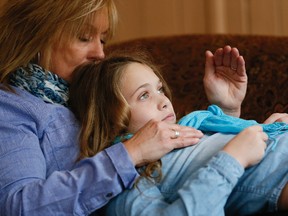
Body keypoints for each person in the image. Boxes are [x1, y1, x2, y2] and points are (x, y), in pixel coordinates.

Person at [0, 0, 255, 215]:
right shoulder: (12, 108)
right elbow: (19, 206)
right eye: (84, 37)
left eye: (102, 39)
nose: (99, 53)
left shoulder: (99, 90)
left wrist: (226, 111)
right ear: (35, 35)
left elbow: (181, 161)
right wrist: (130, 153)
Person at [69, 51, 288, 216]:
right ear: (109, 120)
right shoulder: (128, 184)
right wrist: (233, 159)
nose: (164, 101)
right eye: (144, 95)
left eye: (160, 89)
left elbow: (229, 151)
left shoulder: (191, 127)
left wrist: (237, 115)